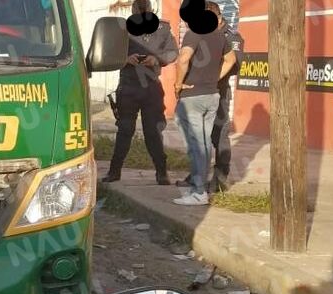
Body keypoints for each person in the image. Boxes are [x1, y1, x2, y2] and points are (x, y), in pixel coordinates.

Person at [101, 0, 178, 186]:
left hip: (151, 87)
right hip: (128, 87)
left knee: (153, 132)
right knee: (125, 130)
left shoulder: (162, 28)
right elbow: (108, 53)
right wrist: (126, 59)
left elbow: (173, 52)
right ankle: (114, 171)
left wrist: (156, 59)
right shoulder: (122, 29)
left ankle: (161, 173)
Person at [172, 1, 237, 206]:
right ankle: (199, 188)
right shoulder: (220, 36)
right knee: (204, 143)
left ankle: (199, 192)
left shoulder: (194, 33)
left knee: (197, 145)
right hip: (212, 95)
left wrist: (178, 84)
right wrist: (215, 79)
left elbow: (183, 59)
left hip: (193, 97)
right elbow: (231, 59)